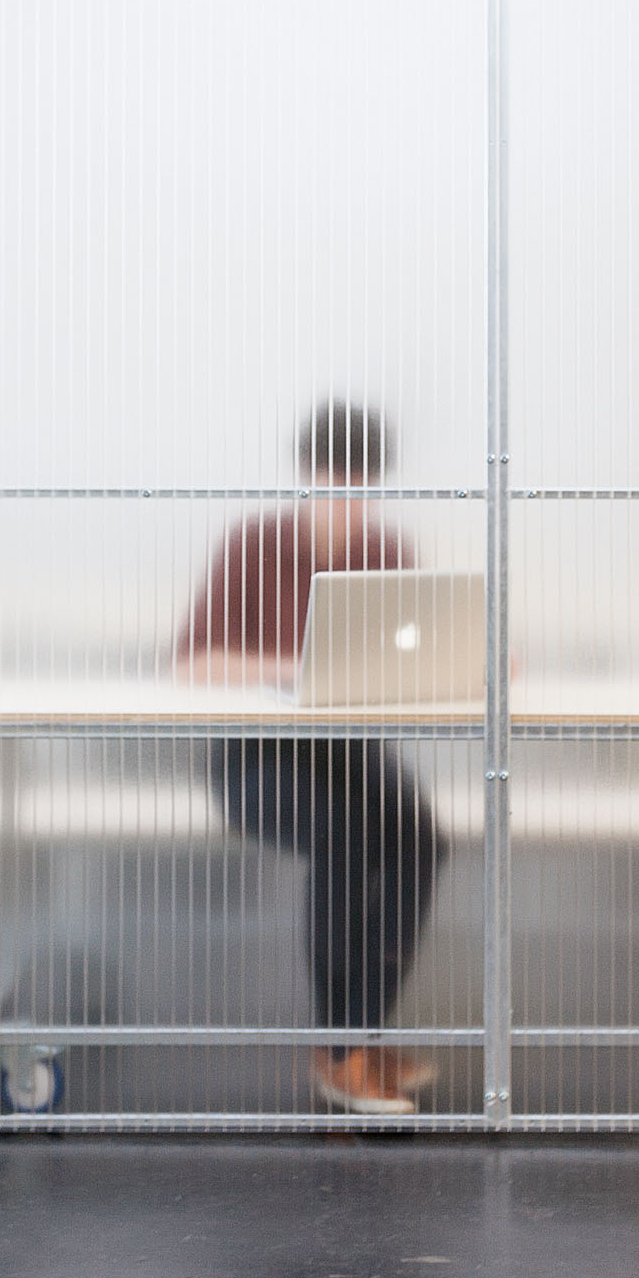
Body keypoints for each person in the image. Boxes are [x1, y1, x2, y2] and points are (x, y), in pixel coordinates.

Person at [174, 399, 439, 1115]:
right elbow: (191, 663)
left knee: (423, 841)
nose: (347, 507)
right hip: (257, 755)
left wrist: (471, 660)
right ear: (306, 477)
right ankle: (343, 1050)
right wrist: (291, 669)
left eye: (361, 491)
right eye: (333, 487)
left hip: (346, 751)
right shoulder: (253, 543)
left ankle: (357, 1038)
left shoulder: (387, 552)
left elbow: (409, 659)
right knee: (346, 835)